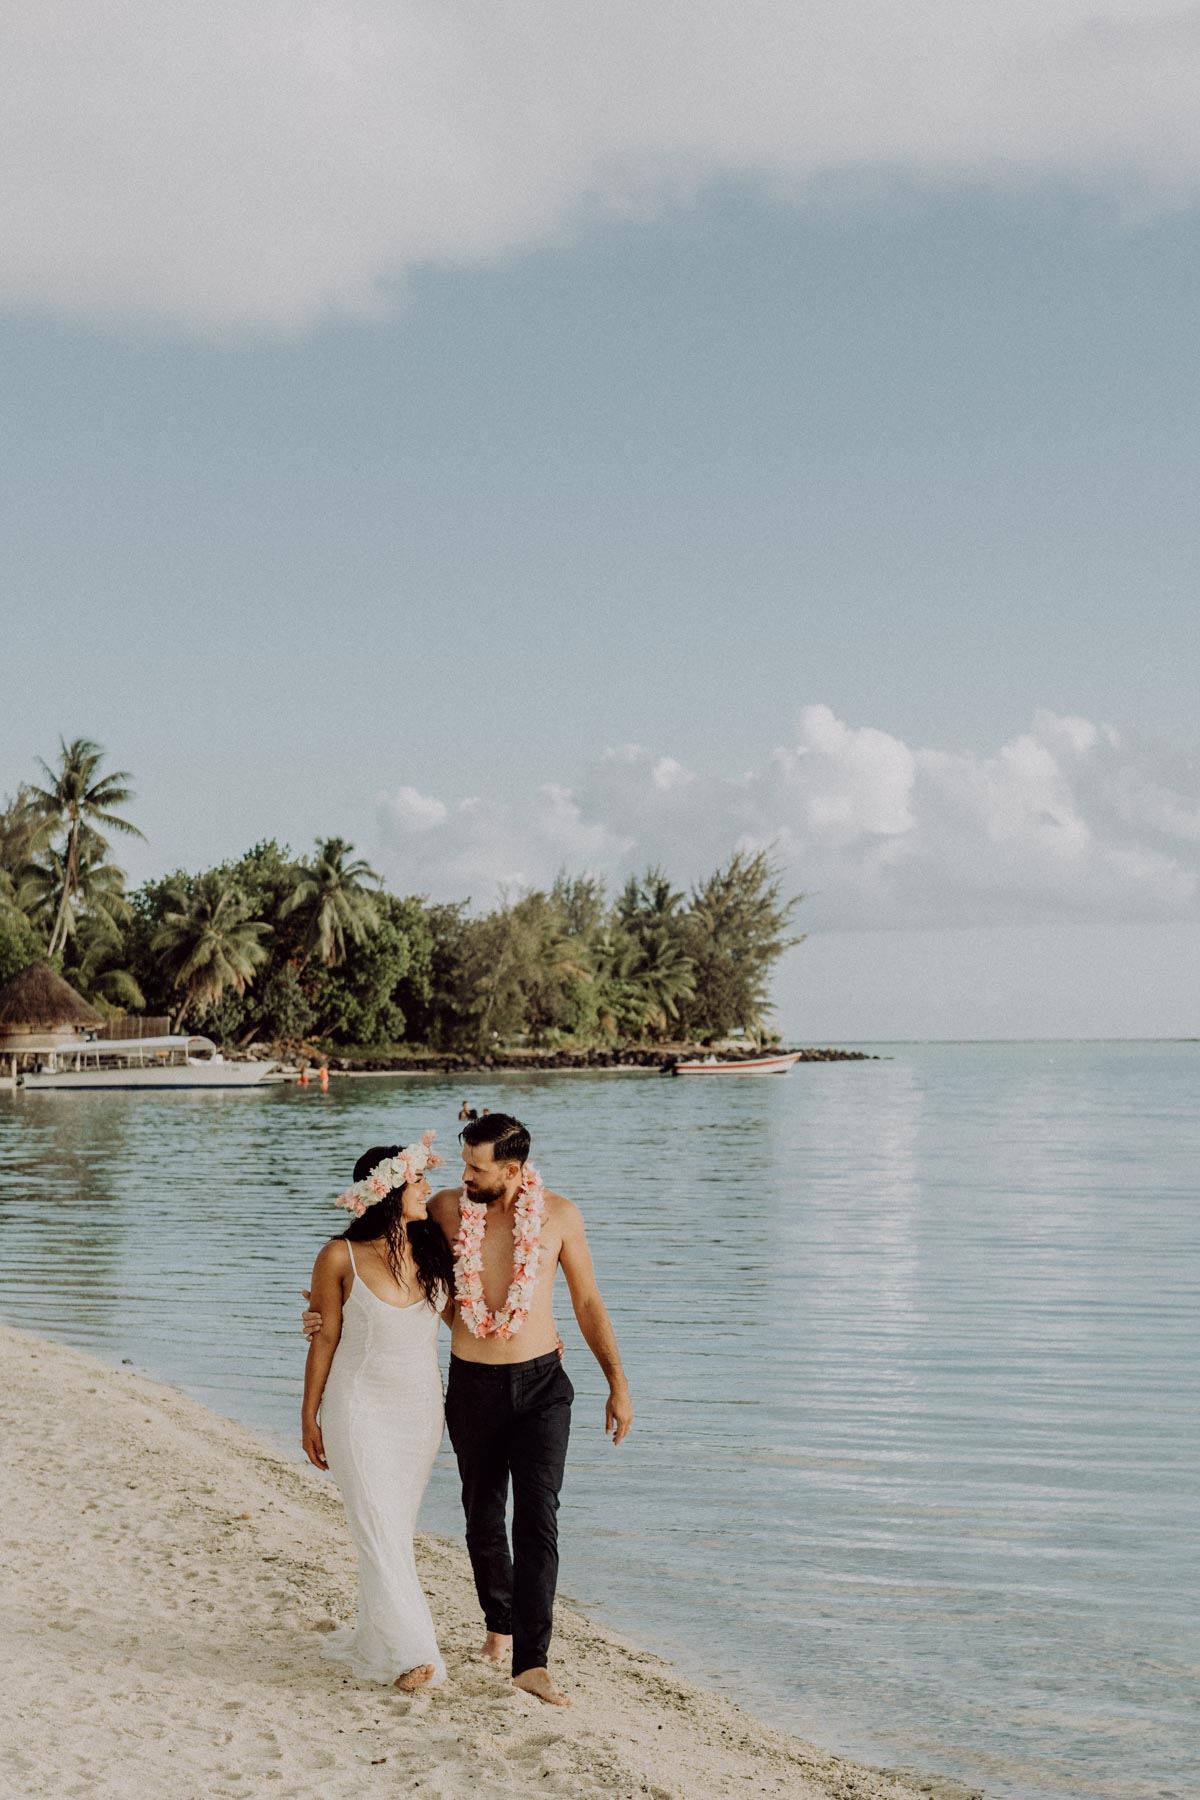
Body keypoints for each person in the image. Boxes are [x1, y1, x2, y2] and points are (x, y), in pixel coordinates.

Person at [304, 1112, 633, 1707]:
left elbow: (587, 1299)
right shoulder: (446, 1209)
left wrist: (617, 1381)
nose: (463, 1176)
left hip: (542, 1386)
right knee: (483, 1518)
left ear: (512, 1170)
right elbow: (378, 1246)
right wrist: (322, 1314)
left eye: (475, 1167)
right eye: (461, 1163)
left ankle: (533, 1663)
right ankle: (497, 1628)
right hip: (471, 1384)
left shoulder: (559, 1216)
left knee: (538, 1518)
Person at [301, 1131, 454, 1692]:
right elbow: (324, 1340)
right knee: (377, 1529)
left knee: (394, 1529)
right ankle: (416, 1655)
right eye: (418, 1179)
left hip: (419, 1415)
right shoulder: (338, 1256)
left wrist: (534, 1338)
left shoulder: (436, 1251)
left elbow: (466, 1329)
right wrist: (308, 1415)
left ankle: (375, 1641)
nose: (428, 1188)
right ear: (389, 1190)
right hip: (357, 1409)